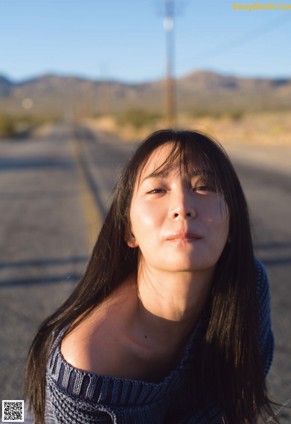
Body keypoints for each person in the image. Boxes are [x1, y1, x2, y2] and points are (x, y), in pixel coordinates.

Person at [25, 129, 277, 423]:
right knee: (16, 413)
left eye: (204, 186)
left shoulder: (248, 287)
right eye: (157, 190)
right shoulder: (87, 363)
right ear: (129, 230)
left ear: (233, 223)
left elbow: (239, 403)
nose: (182, 207)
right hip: (42, 413)